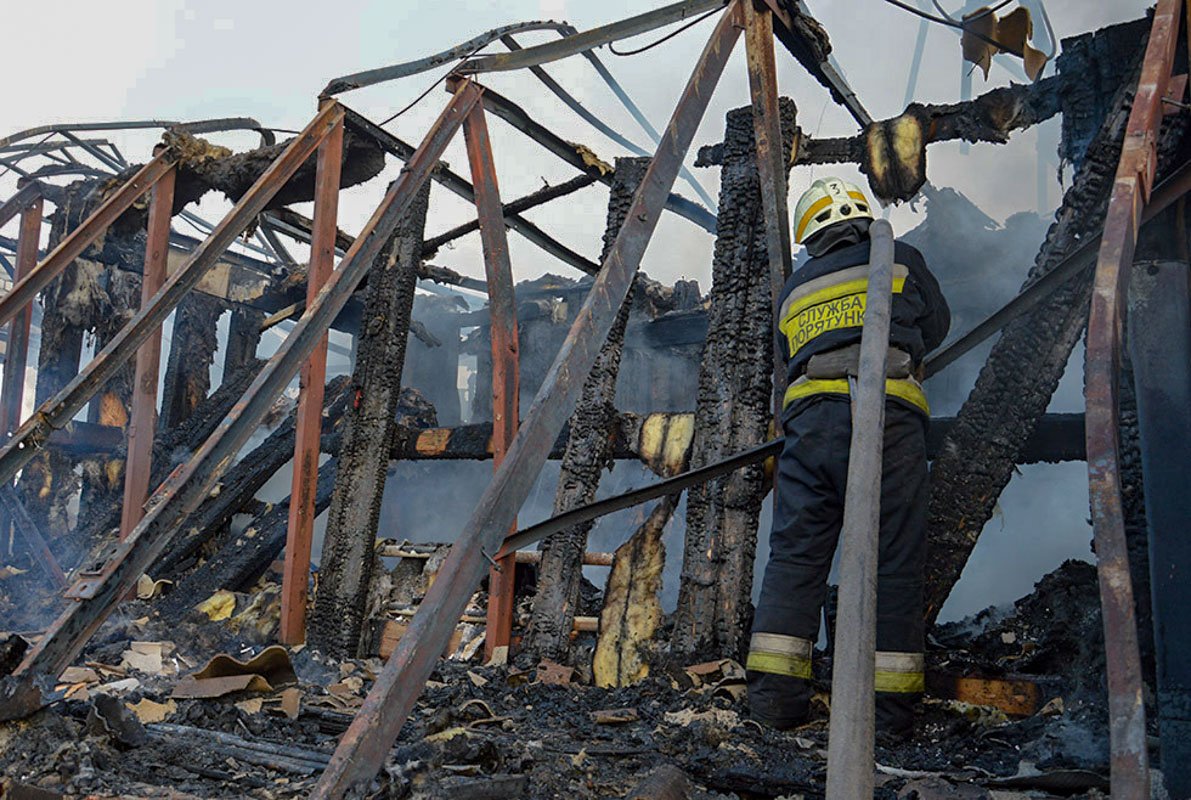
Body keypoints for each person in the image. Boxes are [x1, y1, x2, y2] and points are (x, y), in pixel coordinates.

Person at [746, 176, 950, 734]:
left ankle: (774, 704)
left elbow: (786, 356)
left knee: (796, 556)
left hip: (810, 428)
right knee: (893, 560)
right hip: (888, 419)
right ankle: (886, 715)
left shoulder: (794, 289)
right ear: (862, 218)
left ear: (810, 235)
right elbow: (936, 325)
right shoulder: (900, 258)